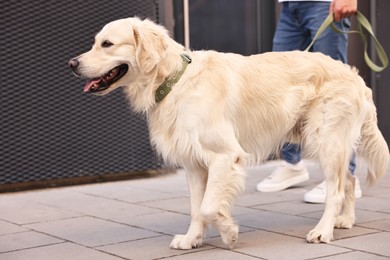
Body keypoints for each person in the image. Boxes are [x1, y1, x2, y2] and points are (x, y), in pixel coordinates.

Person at [256, 0, 362, 203]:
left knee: (335, 88)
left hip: (325, 4)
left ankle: (346, 177)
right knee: (281, 86)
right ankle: (292, 164)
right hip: (290, 5)